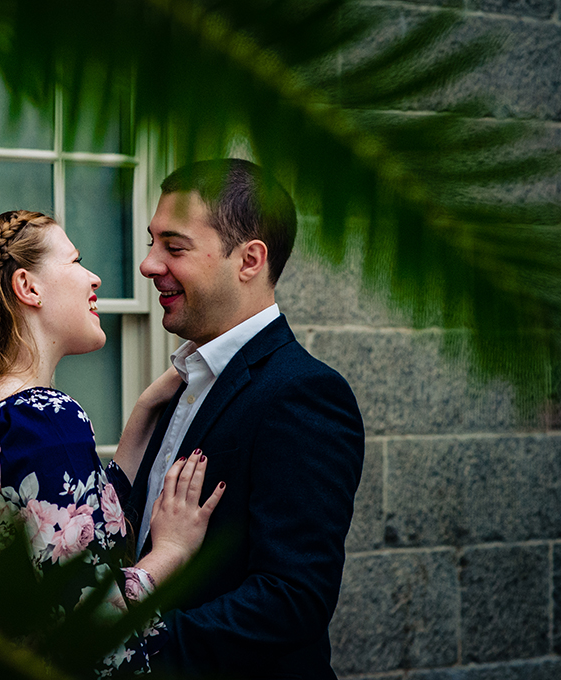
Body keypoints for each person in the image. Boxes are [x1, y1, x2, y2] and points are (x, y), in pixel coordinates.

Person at [0, 210, 225, 676]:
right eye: (75, 261)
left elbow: (62, 524)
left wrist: (142, 414)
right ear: (28, 288)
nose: (93, 277)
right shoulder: (42, 416)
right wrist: (170, 551)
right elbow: (91, 623)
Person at [125, 159, 365, 678]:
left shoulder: (304, 393)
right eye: (152, 242)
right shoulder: (180, 383)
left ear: (250, 259)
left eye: (174, 246)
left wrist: (134, 653)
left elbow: (292, 598)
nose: (148, 264)